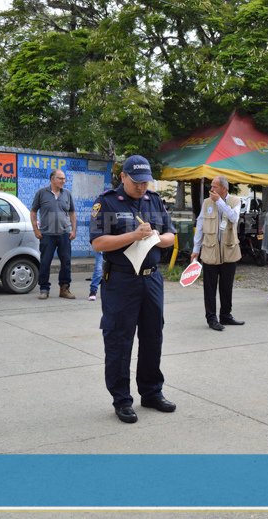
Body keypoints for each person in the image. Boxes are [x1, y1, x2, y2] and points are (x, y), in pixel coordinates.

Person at [90, 155, 176, 424]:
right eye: (137, 182)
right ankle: (122, 400)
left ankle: (151, 393)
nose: (141, 187)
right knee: (119, 340)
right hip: (121, 281)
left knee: (152, 338)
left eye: (145, 182)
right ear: (124, 177)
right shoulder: (106, 202)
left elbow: (171, 235)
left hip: (151, 280)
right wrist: (133, 236)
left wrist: (156, 238)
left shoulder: (154, 200)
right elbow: (99, 243)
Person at [191, 176, 245, 331]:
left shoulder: (235, 201)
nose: (211, 190)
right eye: (211, 187)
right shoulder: (207, 202)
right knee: (210, 288)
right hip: (210, 250)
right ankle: (211, 318)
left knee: (226, 286)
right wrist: (196, 249)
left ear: (224, 189)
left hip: (229, 250)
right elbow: (200, 225)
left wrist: (220, 202)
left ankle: (226, 315)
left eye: (215, 187)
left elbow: (233, 217)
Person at [30, 169, 77, 299]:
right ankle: (44, 289)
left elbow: (72, 213)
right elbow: (33, 211)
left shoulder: (67, 194)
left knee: (66, 263)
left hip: (64, 234)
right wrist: (36, 230)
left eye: (64, 179)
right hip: (47, 235)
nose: (63, 181)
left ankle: (64, 289)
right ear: (52, 179)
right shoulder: (42, 193)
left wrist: (73, 230)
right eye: (61, 179)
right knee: (45, 262)